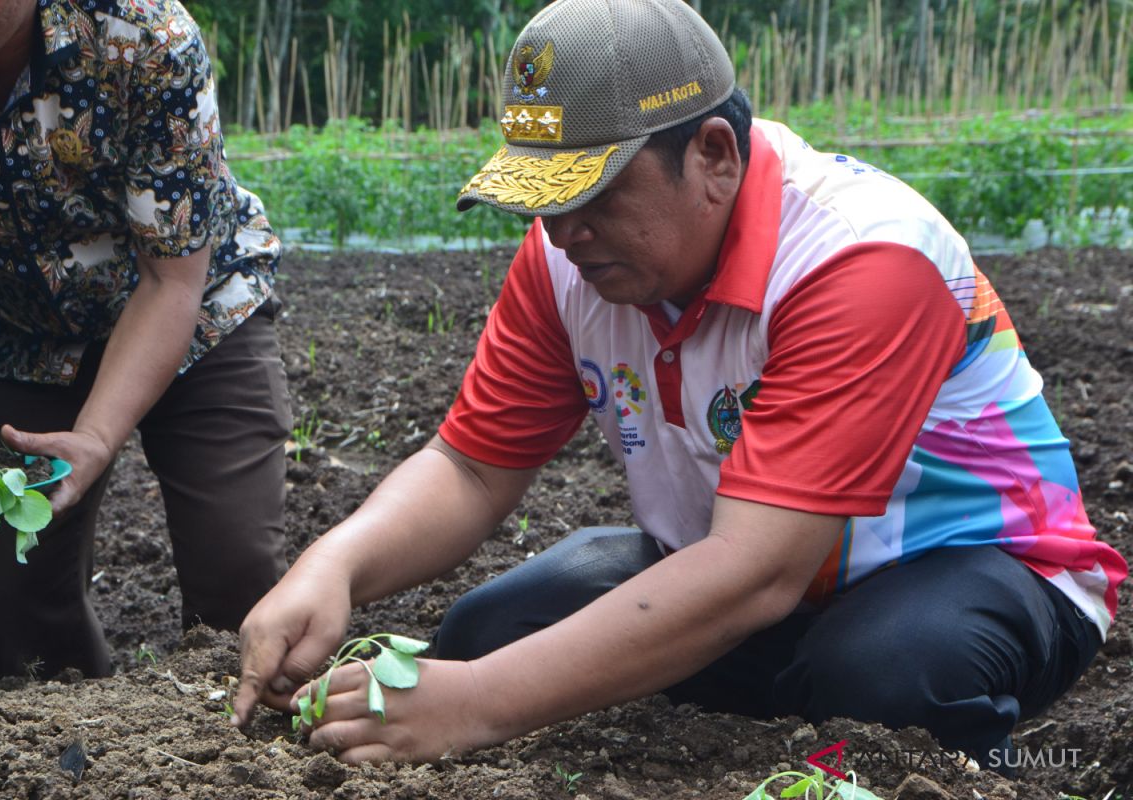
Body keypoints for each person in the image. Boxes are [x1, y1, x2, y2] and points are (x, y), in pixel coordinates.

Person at [233, 0, 1126, 765]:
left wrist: (476, 706)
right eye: (545, 199)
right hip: (741, 569)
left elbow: (755, 572)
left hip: (973, 567)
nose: (563, 231)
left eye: (593, 196)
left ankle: (957, 764)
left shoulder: (861, 258)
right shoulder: (566, 262)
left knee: (886, 677)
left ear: (713, 154)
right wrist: (334, 565)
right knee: (486, 638)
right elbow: (471, 467)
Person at [0, 0, 290, 681]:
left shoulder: (142, 36)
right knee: (8, 602)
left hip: (196, 310)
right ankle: (65, 757)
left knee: (234, 570)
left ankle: (236, 755)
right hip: (14, 333)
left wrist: (96, 437)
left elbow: (171, 282)